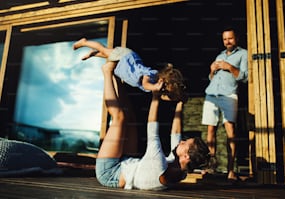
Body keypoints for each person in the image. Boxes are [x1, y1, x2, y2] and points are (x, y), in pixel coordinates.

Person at [96, 63, 210, 190]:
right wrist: (180, 103)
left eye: (185, 143)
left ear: (186, 156)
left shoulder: (158, 165)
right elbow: (176, 133)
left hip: (110, 172)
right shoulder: (181, 171)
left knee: (120, 118)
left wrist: (155, 97)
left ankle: (107, 72)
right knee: (131, 119)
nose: (181, 141)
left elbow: (152, 131)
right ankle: (117, 77)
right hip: (130, 165)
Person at [201, 27, 248, 181]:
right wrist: (211, 70)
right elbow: (211, 78)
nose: (227, 42)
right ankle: (210, 167)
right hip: (211, 94)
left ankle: (231, 170)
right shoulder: (219, 55)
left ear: (237, 38)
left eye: (230, 38)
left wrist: (230, 67)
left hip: (229, 94)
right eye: (225, 39)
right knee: (210, 131)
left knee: (230, 130)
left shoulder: (243, 54)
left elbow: (245, 77)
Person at [73, 38, 186, 101]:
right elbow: (145, 83)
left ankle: (94, 54)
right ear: (162, 79)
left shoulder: (157, 87)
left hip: (123, 62)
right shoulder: (152, 75)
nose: (162, 90)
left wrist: (178, 98)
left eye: (164, 90)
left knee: (107, 53)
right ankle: (84, 42)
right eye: (164, 87)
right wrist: (155, 87)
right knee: (104, 49)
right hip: (126, 57)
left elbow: (164, 97)